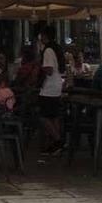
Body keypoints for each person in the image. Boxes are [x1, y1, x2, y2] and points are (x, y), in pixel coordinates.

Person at [38, 26, 65, 155]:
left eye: (41, 35)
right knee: (53, 116)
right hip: (57, 85)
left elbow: (49, 70)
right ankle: (55, 144)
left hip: (49, 88)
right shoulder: (56, 48)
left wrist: (39, 67)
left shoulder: (48, 50)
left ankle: (58, 140)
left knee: (44, 117)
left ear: (45, 36)